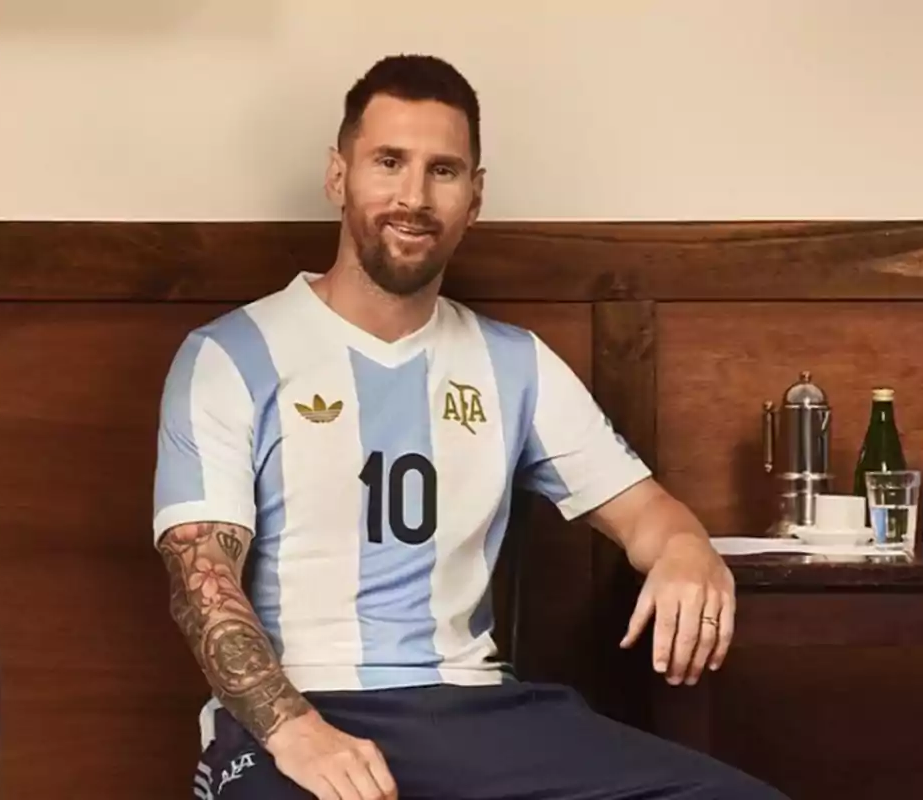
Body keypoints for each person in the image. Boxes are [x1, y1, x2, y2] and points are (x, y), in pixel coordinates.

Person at [153, 54, 786, 800]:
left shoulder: (514, 364)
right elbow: (202, 581)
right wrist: (295, 730)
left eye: (443, 171)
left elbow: (644, 510)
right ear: (338, 176)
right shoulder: (229, 356)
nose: (413, 196)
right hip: (297, 711)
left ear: (474, 197)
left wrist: (686, 550)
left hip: (477, 710)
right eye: (388, 162)